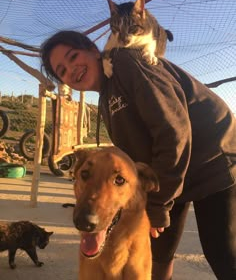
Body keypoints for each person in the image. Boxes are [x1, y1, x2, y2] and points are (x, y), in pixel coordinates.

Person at [40, 30, 236, 280]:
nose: (72, 69)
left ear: (92, 48)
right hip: (170, 173)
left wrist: (157, 206)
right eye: (63, 71)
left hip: (212, 161)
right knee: (158, 252)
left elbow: (173, 132)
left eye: (73, 56)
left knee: (223, 254)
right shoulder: (106, 95)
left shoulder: (127, 62)